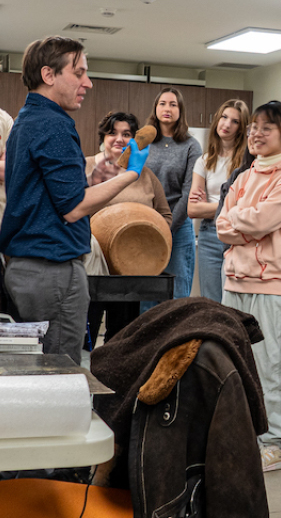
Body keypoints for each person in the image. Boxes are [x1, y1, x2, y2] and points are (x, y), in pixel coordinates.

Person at [0, 36, 149, 364]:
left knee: (33, 369)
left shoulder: (28, 118)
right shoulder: (54, 124)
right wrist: (131, 174)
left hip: (30, 268)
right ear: (49, 75)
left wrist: (92, 181)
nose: (88, 82)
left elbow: (46, 192)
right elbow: (72, 207)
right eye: (78, 72)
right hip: (51, 272)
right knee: (56, 372)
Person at [217, 101, 281, 473]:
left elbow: (261, 221)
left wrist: (242, 221)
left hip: (274, 282)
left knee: (269, 365)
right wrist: (245, 222)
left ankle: (274, 443)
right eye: (253, 126)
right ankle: (244, 435)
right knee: (235, 362)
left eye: (266, 127)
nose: (256, 133)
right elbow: (223, 224)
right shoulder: (244, 176)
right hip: (235, 279)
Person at [84, 111, 172, 346]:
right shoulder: (87, 166)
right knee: (86, 336)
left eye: (126, 134)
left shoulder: (145, 175)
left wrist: (151, 239)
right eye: (112, 133)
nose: (119, 139)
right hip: (91, 269)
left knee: (122, 339)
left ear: (135, 140)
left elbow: (165, 215)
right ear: (103, 137)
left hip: (131, 270)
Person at [144, 87, 202, 302]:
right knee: (147, 294)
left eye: (173, 104)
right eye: (163, 103)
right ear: (155, 108)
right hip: (145, 226)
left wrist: (167, 227)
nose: (167, 108)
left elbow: (188, 191)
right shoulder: (144, 141)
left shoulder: (190, 146)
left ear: (180, 111)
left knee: (177, 295)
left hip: (177, 228)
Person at [188, 99, 249, 302]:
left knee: (232, 302)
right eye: (224, 117)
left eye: (235, 121)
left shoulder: (246, 163)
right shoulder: (204, 160)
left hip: (236, 234)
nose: (227, 124)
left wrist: (210, 206)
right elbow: (193, 210)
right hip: (209, 236)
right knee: (211, 302)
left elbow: (247, 206)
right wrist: (227, 205)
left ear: (241, 128)